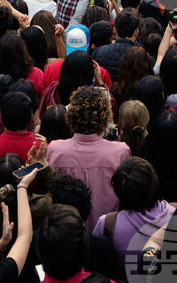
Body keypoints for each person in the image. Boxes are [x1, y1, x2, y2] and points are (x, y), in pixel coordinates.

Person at [47, 85, 130, 228]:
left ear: (71, 116)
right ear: (105, 117)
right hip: (107, 230)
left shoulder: (55, 150)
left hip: (66, 231)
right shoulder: (121, 152)